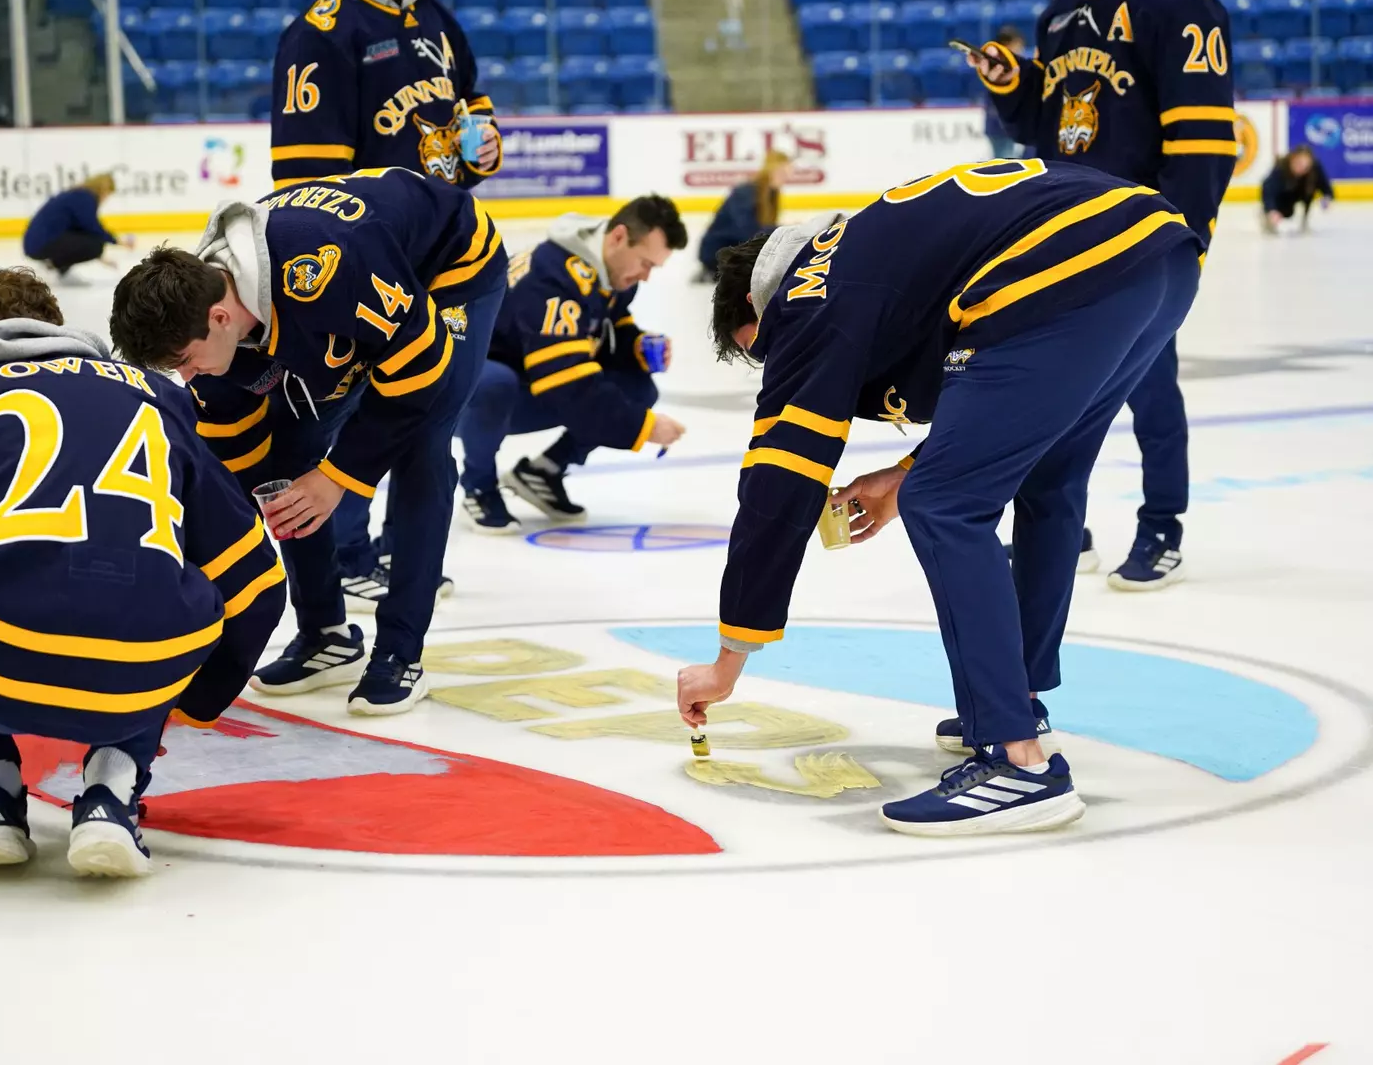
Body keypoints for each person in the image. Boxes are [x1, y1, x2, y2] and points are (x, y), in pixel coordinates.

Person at [676, 159, 1202, 836]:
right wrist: (903, 471)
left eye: (764, 351)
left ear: (759, 303)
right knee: (1048, 475)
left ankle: (1017, 761)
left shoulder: (805, 296)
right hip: (1155, 253)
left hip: (1063, 273)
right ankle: (1018, 701)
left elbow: (778, 482)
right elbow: (991, 402)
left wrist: (728, 659)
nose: (777, 365)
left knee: (943, 505)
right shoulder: (862, 255)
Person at [0, 268, 286, 877]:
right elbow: (255, 583)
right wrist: (190, 699)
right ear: (52, 330)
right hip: (140, 670)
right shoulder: (160, 397)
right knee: (156, 577)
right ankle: (112, 793)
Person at [110, 167, 506, 713]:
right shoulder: (204, 318)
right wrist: (253, 512)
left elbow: (420, 377)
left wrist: (339, 477)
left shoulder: (327, 271)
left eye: (185, 362)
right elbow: (240, 456)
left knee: (422, 448)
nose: (186, 377)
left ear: (221, 318)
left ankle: (400, 652)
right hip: (365, 292)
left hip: (448, 265)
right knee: (287, 461)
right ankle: (325, 635)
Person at [963, 0, 1235, 590]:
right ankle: (1062, 527)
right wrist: (1014, 82)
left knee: (1151, 390)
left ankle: (1162, 526)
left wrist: (1181, 242)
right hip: (1064, 233)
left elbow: (1203, 140)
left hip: (1139, 240)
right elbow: (1045, 123)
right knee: (1050, 393)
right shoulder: (1065, 0)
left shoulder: (1178, 0)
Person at [271, 0, 503, 613]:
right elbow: (306, 182)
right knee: (353, 403)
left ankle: (404, 548)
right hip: (368, 259)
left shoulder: (433, 13)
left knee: (429, 408)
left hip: (441, 246)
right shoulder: (320, 32)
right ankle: (348, 557)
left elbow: (470, 100)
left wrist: (481, 146)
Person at [457, 196, 690, 531]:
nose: (646, 276)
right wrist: (643, 427)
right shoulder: (554, 279)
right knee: (496, 384)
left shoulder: (609, 269)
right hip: (462, 393)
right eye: (645, 263)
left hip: (530, 377)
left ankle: (543, 472)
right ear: (618, 237)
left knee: (637, 387)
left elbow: (604, 326)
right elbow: (567, 385)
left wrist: (636, 345)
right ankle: (479, 485)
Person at [696, 151, 790, 282]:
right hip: (716, 255)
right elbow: (749, 232)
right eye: (782, 173)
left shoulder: (770, 194)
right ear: (769, 171)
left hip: (736, 253)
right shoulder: (746, 192)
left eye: (788, 173)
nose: (786, 178)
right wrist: (782, 230)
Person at [22, 174, 129, 281]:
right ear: (103, 190)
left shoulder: (77, 195)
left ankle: (59, 269)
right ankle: (52, 266)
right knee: (96, 245)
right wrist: (117, 241)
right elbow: (92, 227)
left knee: (93, 243)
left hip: (36, 243)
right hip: (40, 244)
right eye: (107, 194)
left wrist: (101, 258)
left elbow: (81, 230)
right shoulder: (85, 198)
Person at [1261, 145, 1333, 234]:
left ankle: (1305, 220)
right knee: (1287, 212)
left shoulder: (1315, 168)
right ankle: (1268, 216)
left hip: (1302, 193)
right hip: (1284, 195)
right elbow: (1268, 190)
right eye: (1298, 163)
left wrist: (1326, 198)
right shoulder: (1282, 167)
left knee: (1310, 187)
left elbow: (1326, 187)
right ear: (1293, 159)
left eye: (1305, 166)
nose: (1301, 168)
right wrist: (1271, 209)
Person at [982, 27, 1026, 160]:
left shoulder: (1010, 66)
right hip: (1000, 127)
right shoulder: (1000, 67)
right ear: (1007, 45)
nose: (1020, 49)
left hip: (1006, 126)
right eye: (1017, 45)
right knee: (1005, 162)